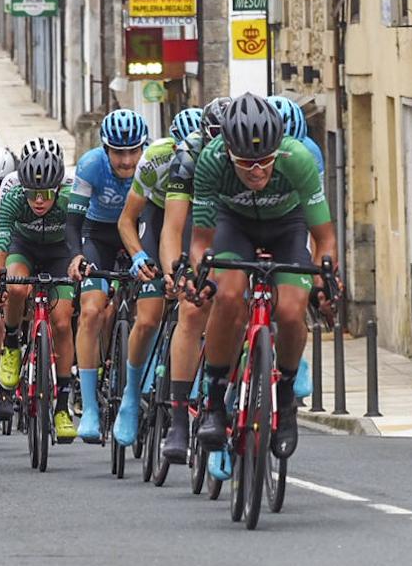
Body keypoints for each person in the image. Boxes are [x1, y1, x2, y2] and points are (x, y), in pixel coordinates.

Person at [190, 93, 337, 461]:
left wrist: (324, 280)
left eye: (265, 161)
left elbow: (325, 238)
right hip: (233, 225)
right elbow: (200, 243)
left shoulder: (298, 159)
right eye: (246, 163)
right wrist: (201, 277)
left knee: (290, 310)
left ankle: (285, 396)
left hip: (286, 227)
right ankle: (214, 398)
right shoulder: (211, 161)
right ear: (228, 153)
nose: (257, 171)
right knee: (227, 295)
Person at [110, 107, 202, 446]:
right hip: (159, 215)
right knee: (148, 318)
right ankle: (131, 396)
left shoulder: (210, 163)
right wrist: (138, 256)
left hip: (194, 216)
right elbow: (126, 220)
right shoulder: (156, 158)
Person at [67, 108, 149, 442]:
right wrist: (75, 256)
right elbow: (72, 223)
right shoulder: (90, 165)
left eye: (133, 151)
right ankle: (88, 406)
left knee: (147, 310)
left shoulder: (152, 165)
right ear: (105, 148)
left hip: (139, 235)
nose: (127, 161)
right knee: (91, 310)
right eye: (118, 152)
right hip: (98, 234)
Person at [156, 97, 229, 461]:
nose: (221, 148)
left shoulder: (256, 153)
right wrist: (177, 271)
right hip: (199, 227)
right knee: (191, 309)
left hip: (237, 223)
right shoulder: (189, 154)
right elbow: (173, 226)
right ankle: (179, 418)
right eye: (214, 138)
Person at [0, 148, 79, 443]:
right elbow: (0, 241)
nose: (38, 201)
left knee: (63, 322)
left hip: (58, 253)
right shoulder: (14, 194)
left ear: (57, 188)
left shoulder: (69, 196)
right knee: (15, 286)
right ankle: (12, 345)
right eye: (33, 194)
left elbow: (83, 233)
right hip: (23, 248)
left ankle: (62, 407)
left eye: (45, 193)